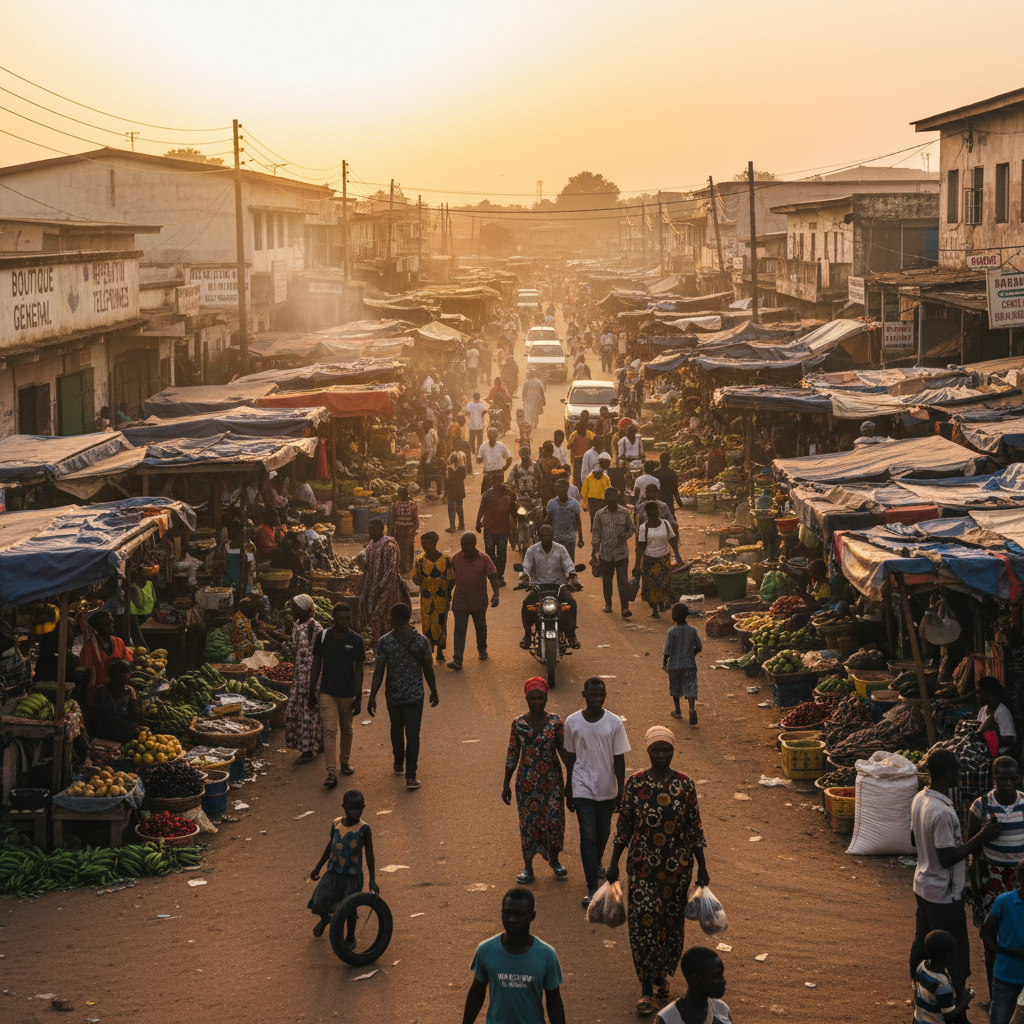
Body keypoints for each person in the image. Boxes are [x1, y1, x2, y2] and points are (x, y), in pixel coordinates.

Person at [606, 726, 709, 1015]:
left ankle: (662, 972)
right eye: (656, 750)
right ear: (647, 751)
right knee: (642, 925)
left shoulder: (685, 785)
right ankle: (645, 988)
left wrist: (702, 866)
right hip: (642, 868)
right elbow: (624, 824)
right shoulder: (635, 783)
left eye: (666, 750)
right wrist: (613, 862)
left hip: (677, 870)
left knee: (669, 924)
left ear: (673, 751)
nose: (661, 755)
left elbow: (694, 826)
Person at [910, 749, 1001, 1011]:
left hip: (923, 885)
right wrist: (981, 838)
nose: (961, 774)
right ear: (949, 773)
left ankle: (921, 995)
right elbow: (947, 858)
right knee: (955, 954)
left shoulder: (920, 798)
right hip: (943, 893)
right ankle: (955, 1010)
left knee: (922, 943)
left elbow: (916, 840)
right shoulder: (942, 812)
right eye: (959, 770)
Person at [563, 677, 630, 906]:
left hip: (606, 788)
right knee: (588, 836)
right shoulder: (572, 722)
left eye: (601, 695)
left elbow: (619, 759)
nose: (597, 699)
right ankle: (592, 887)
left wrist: (621, 791)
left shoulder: (614, 723)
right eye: (593, 695)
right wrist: (569, 787)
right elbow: (570, 757)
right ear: (584, 695)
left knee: (602, 833)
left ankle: (597, 862)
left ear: (605, 695)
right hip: (582, 785)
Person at [463, 888, 566, 1024]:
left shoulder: (547, 955)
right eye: (507, 913)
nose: (512, 919)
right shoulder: (485, 950)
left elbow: (554, 1001)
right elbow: (476, 994)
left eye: (520, 914)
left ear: (532, 916)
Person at [967, 757, 1024, 1001]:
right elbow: (971, 850)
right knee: (991, 940)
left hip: (1022, 880)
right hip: (991, 881)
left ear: (1019, 778)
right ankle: (995, 999)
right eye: (1002, 778)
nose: (1008, 783)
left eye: (1013, 778)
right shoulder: (980, 806)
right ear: (994, 779)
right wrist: (975, 887)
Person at [502, 677, 569, 883]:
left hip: (552, 782)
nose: (537, 702)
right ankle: (528, 867)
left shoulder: (556, 722)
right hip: (527, 783)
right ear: (526, 698)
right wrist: (506, 784)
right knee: (529, 824)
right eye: (533, 698)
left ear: (546, 698)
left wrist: (572, 781)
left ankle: (555, 861)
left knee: (554, 822)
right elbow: (512, 753)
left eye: (541, 698)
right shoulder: (518, 724)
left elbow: (564, 752)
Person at [368, 603, 438, 790]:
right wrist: (434, 691)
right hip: (415, 695)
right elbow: (428, 669)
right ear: (409, 617)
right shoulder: (422, 641)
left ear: (392, 618)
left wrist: (372, 696)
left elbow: (379, 671)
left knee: (396, 728)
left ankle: (399, 761)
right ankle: (411, 777)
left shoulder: (385, 642)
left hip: (394, 695)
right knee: (413, 734)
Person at [308, 789, 379, 939]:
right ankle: (326, 919)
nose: (354, 812)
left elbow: (369, 855)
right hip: (333, 872)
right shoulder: (336, 823)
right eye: (351, 808)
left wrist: (372, 880)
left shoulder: (364, 829)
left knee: (350, 908)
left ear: (363, 808)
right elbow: (330, 846)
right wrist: (318, 867)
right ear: (343, 807)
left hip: (353, 876)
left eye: (358, 808)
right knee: (319, 901)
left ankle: (350, 937)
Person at [308, 601, 364, 787]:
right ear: (334, 619)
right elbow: (316, 664)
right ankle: (331, 772)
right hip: (327, 692)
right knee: (330, 731)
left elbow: (359, 670)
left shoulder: (356, 641)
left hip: (347, 693)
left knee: (347, 728)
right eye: (342, 619)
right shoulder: (323, 637)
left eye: (348, 618)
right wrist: (311, 690)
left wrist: (358, 697)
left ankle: (344, 762)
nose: (345, 622)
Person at [519, 525, 580, 651]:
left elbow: (568, 564)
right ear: (539, 536)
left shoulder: (560, 549)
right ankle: (527, 634)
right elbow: (526, 567)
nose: (546, 538)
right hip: (538, 586)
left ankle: (572, 635)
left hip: (558, 586)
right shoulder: (532, 550)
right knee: (526, 604)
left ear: (553, 536)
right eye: (544, 535)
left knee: (572, 603)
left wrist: (573, 576)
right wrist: (524, 579)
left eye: (549, 535)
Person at [980, 859, 1024, 1023]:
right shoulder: (1004, 901)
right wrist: (1010, 952)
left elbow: (986, 933)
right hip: (1007, 975)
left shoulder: (1004, 901)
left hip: (1005, 972)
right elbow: (986, 933)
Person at [449, 532, 500, 670]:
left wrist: (496, 594)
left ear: (474, 544)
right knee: (459, 628)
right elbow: (452, 579)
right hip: (460, 600)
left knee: (480, 626)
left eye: (467, 544)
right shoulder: (456, 559)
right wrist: (447, 594)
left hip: (479, 601)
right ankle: (457, 659)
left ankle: (482, 649)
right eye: (462, 544)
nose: (464, 547)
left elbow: (493, 576)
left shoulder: (484, 559)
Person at [286, 595, 325, 767]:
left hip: (311, 676)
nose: (292, 610)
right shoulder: (297, 625)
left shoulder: (314, 627)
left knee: (309, 711)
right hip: (298, 676)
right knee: (301, 711)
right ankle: (318, 742)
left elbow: (321, 654)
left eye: (295, 607)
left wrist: (314, 683)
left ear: (303, 609)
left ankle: (309, 749)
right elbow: (295, 650)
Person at [359, 519, 410, 646]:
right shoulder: (371, 545)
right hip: (372, 587)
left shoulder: (390, 546)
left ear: (381, 530)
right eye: (369, 529)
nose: (370, 532)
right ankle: (378, 642)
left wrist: (381, 587)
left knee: (383, 615)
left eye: (372, 529)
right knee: (373, 614)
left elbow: (392, 569)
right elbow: (368, 566)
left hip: (388, 588)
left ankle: (385, 642)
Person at [914, 930, 976, 1024]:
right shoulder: (942, 982)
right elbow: (949, 1015)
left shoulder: (921, 967)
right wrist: (967, 999)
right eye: (955, 951)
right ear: (949, 956)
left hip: (918, 1020)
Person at [656, 947, 732, 1024]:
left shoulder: (722, 1009)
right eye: (716, 976)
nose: (723, 981)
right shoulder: (666, 1019)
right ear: (695, 979)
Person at [412, 531, 455, 664]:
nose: (425, 546)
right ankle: (429, 648)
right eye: (423, 544)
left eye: (428, 544)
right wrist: (418, 579)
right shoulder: (419, 560)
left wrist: (448, 593)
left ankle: (440, 650)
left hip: (442, 597)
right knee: (427, 623)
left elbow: (452, 578)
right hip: (426, 597)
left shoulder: (446, 560)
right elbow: (415, 577)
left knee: (441, 622)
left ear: (434, 543)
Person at [591, 488, 635, 618]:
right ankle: (608, 604)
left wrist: (625, 536)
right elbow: (596, 534)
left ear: (616, 496)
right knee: (607, 581)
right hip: (605, 554)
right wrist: (594, 554)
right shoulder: (600, 514)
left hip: (621, 553)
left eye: (611, 495)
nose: (608, 498)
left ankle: (625, 608)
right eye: (606, 496)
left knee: (622, 581)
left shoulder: (625, 512)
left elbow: (631, 529)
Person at [634, 502, 681, 618]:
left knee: (664, 583)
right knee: (651, 586)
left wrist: (677, 555)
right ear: (647, 514)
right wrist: (637, 563)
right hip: (649, 559)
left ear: (658, 512)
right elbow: (641, 546)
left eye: (655, 511)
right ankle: (654, 609)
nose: (653, 514)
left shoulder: (665, 524)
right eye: (650, 512)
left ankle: (662, 602)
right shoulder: (643, 528)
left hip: (664, 558)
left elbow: (672, 540)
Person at [664, 603, 703, 725]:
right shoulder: (692, 630)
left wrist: (664, 663)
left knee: (675, 687)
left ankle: (678, 710)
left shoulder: (671, 631)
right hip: (689, 664)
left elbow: (667, 650)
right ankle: (691, 708)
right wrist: (691, 654)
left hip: (675, 665)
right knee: (690, 686)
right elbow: (699, 647)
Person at [92, 659, 141, 742]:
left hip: (124, 733)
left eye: (128, 675)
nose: (128, 677)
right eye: (123, 675)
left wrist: (133, 699)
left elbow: (135, 716)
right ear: (115, 676)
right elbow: (97, 717)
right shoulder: (102, 691)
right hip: (106, 734)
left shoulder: (128, 691)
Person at [477, 479, 512, 587]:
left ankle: (495, 574)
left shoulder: (488, 493)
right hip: (502, 529)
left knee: (490, 552)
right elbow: (514, 509)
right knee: (502, 553)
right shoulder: (508, 492)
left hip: (490, 529)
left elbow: (482, 508)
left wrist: (478, 522)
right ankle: (499, 576)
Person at [977, 677, 1017, 757]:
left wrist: (988, 741)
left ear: (989, 694)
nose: (978, 696)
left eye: (980, 693)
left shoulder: (1001, 711)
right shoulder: (982, 710)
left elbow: (1009, 739)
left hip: (999, 754)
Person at [545, 478, 584, 561]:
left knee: (570, 562)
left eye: (561, 487)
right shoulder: (552, 504)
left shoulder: (574, 504)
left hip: (570, 538)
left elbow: (578, 521)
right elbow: (549, 522)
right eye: (557, 487)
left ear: (567, 488)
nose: (559, 490)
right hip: (555, 539)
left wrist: (580, 539)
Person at [388, 486, 420, 576]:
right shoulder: (413, 504)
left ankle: (401, 567)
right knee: (409, 548)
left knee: (400, 548)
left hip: (399, 529)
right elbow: (415, 518)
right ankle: (408, 567)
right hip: (409, 530)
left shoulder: (396, 504)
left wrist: (391, 531)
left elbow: (393, 518)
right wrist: (414, 528)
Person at [581, 453, 614, 527]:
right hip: (602, 500)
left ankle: (593, 530)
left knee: (593, 517)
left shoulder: (589, 477)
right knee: (602, 518)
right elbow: (610, 490)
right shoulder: (606, 478)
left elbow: (584, 490)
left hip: (591, 500)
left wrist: (585, 504)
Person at [477, 425, 513, 492]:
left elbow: (510, 458)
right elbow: (479, 459)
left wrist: (504, 469)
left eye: (494, 437)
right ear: (488, 436)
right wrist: (479, 459)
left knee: (498, 493)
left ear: (497, 436)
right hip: (488, 473)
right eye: (490, 436)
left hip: (498, 473)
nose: (492, 438)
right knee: (485, 493)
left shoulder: (501, 446)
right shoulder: (483, 446)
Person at [567, 412, 594, 488]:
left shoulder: (575, 433)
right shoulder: (589, 432)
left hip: (579, 458)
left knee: (577, 477)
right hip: (584, 458)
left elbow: (568, 446)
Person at [230, 596, 260, 660]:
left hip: (236, 638)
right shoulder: (243, 622)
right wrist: (256, 643)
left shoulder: (238, 614)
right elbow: (248, 635)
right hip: (240, 643)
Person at [445, 454, 468, 533]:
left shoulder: (449, 469)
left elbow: (448, 481)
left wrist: (445, 491)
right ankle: (461, 525)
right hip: (460, 490)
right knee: (459, 508)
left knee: (451, 509)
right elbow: (463, 477)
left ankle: (452, 526)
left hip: (451, 491)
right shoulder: (462, 469)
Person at [654, 452, 680, 516]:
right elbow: (675, 489)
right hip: (669, 500)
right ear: (669, 461)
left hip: (658, 499)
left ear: (660, 461)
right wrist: (679, 502)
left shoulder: (655, 473)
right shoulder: (672, 473)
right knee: (671, 519)